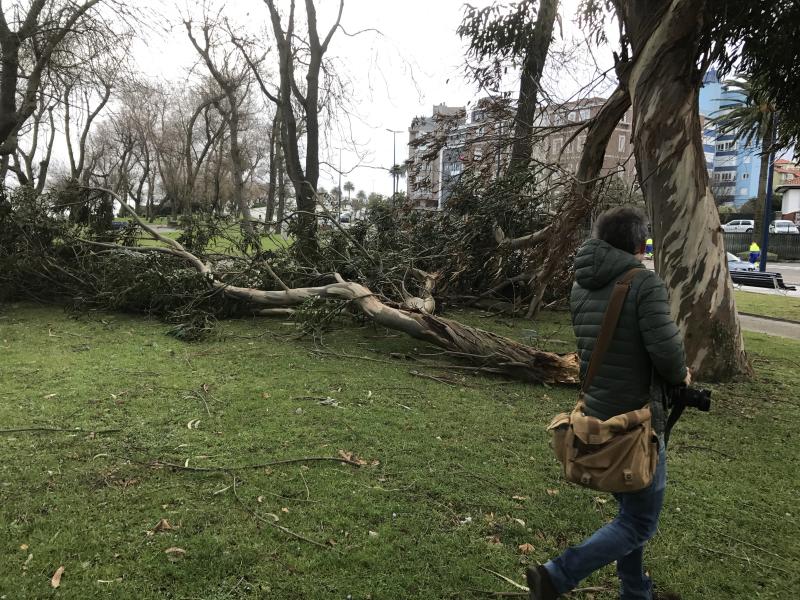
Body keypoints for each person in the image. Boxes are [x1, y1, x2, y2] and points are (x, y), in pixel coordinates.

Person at [528, 207, 690, 600]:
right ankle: (557, 575)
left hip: (599, 411)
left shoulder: (581, 284)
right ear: (639, 243)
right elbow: (667, 356)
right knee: (639, 523)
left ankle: (636, 592)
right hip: (637, 422)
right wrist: (683, 375)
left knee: (629, 511)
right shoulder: (644, 283)